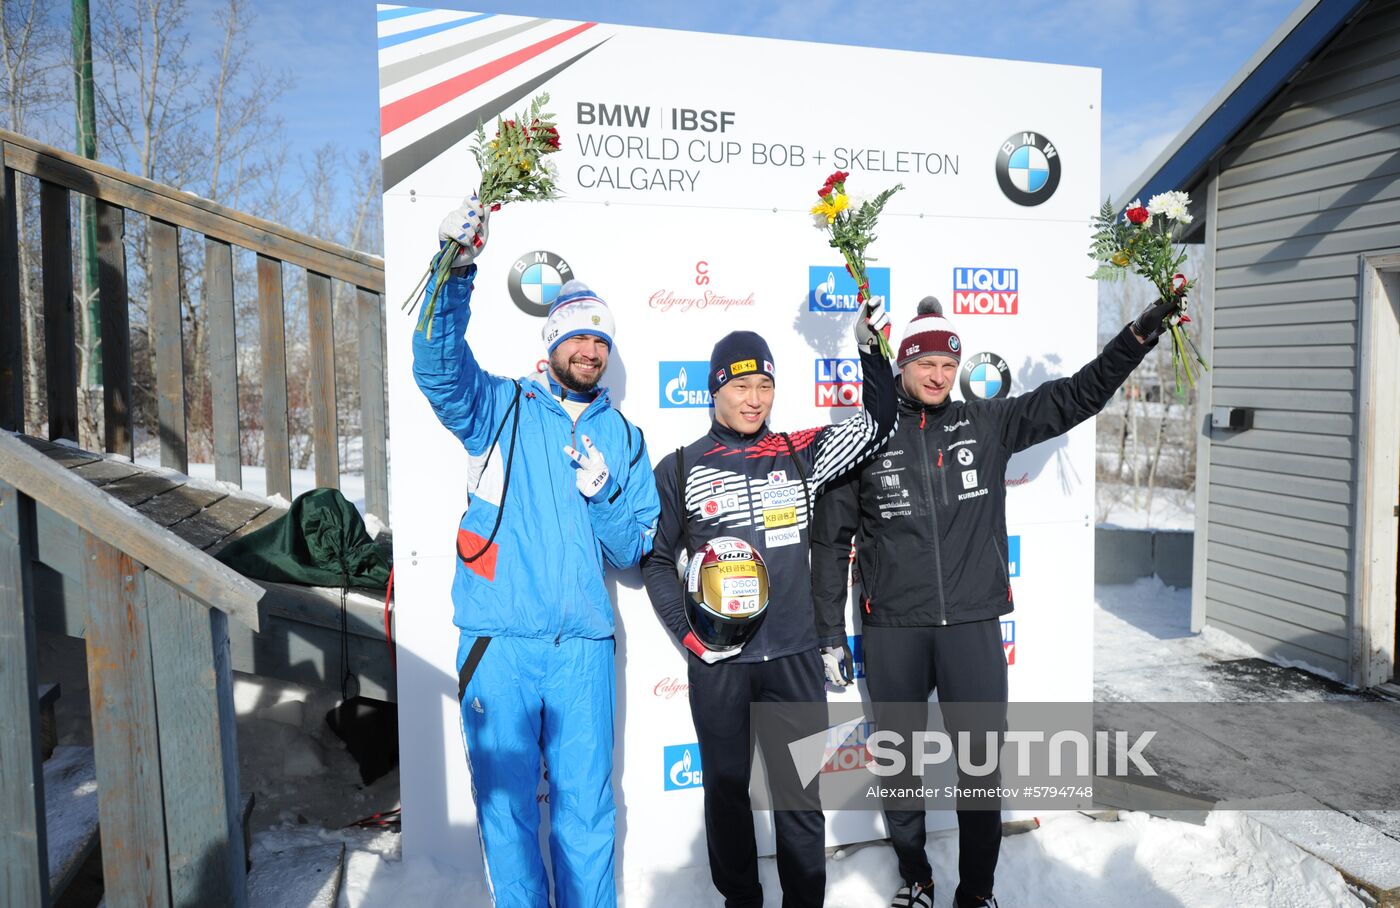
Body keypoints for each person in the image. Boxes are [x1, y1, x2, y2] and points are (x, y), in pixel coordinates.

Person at [810, 296, 1171, 908]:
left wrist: (1134, 340)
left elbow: (1075, 396)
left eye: (947, 364)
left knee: (981, 770)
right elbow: (830, 539)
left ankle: (976, 892)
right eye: (924, 361)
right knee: (899, 769)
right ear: (900, 364)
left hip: (971, 627)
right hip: (893, 626)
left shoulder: (985, 422)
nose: (937, 374)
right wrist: (826, 630)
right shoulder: (868, 435)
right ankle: (916, 878)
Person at [412, 195, 660, 908]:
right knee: (508, 814)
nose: (589, 350)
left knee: (586, 814)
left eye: (600, 341)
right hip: (501, 641)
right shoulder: (499, 407)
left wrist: (606, 493)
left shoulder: (626, 438)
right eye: (577, 337)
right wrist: (452, 270)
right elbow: (437, 364)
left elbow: (632, 548)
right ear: (551, 342)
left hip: (583, 647)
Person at [641, 297, 897, 908]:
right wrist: (690, 638)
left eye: (765, 385)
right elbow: (654, 561)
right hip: (719, 665)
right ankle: (741, 900)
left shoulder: (797, 451)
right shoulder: (680, 466)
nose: (754, 398)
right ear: (714, 390)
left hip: (793, 656)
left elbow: (875, 422)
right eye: (741, 386)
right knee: (727, 794)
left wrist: (871, 350)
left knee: (799, 797)